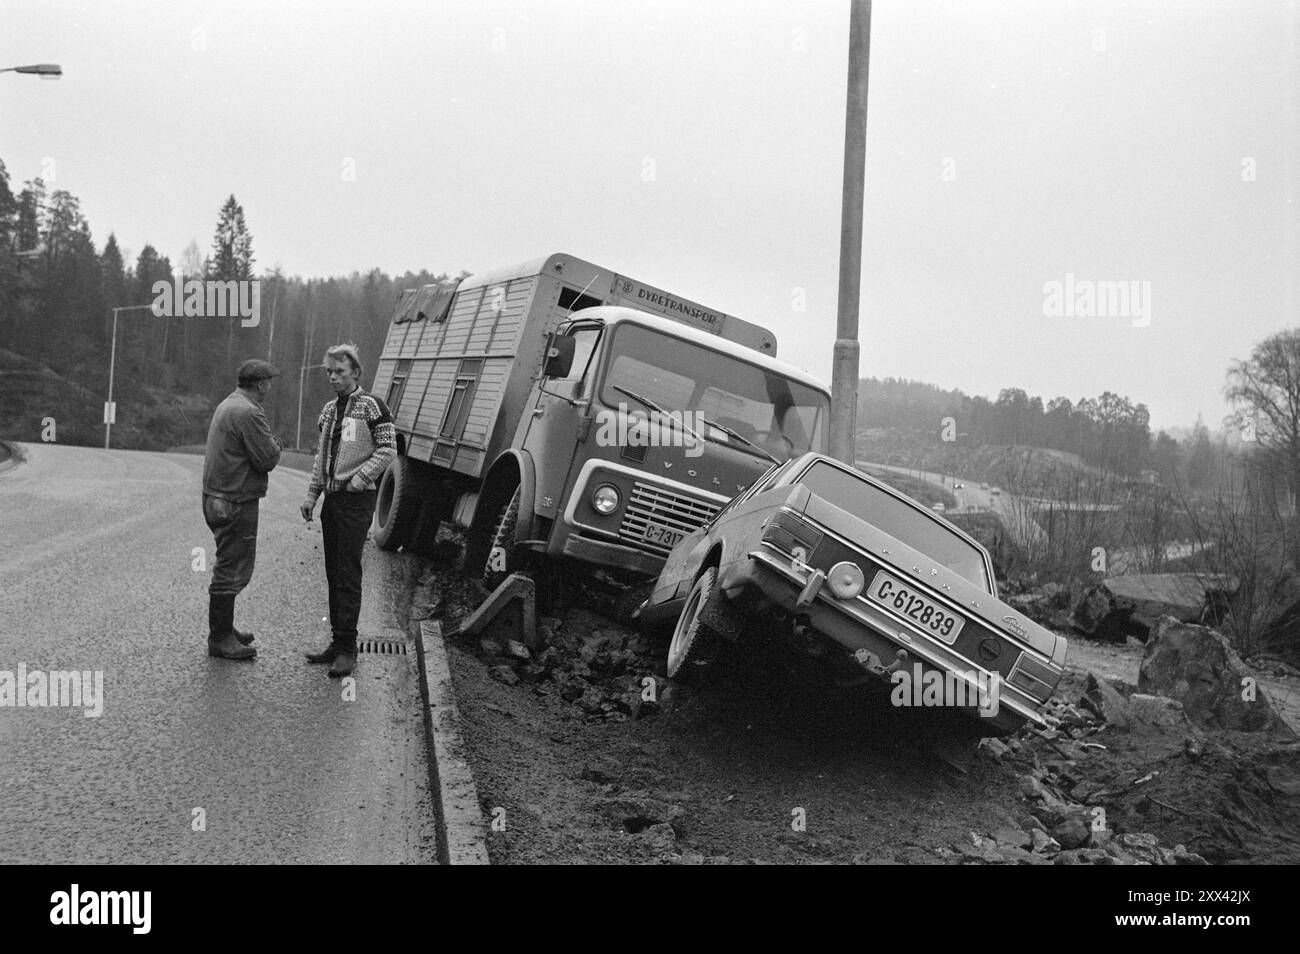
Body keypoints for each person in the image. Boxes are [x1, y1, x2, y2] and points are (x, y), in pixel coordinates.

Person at [299, 343, 397, 677]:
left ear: (355, 372)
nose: (333, 377)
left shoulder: (372, 406)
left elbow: (388, 450)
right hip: (332, 501)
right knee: (332, 572)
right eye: (329, 372)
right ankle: (337, 642)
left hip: (357, 501)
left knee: (348, 572)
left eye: (339, 372)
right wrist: (313, 495)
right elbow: (320, 458)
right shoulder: (328, 411)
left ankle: (348, 650)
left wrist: (360, 479)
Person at [202, 359, 283, 660]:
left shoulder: (229, 403)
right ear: (260, 384)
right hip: (235, 498)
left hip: (216, 497)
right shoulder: (249, 412)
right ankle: (220, 637)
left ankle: (225, 628)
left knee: (228, 560)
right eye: (269, 382)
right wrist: (276, 443)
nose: (270, 387)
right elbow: (267, 459)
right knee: (232, 566)